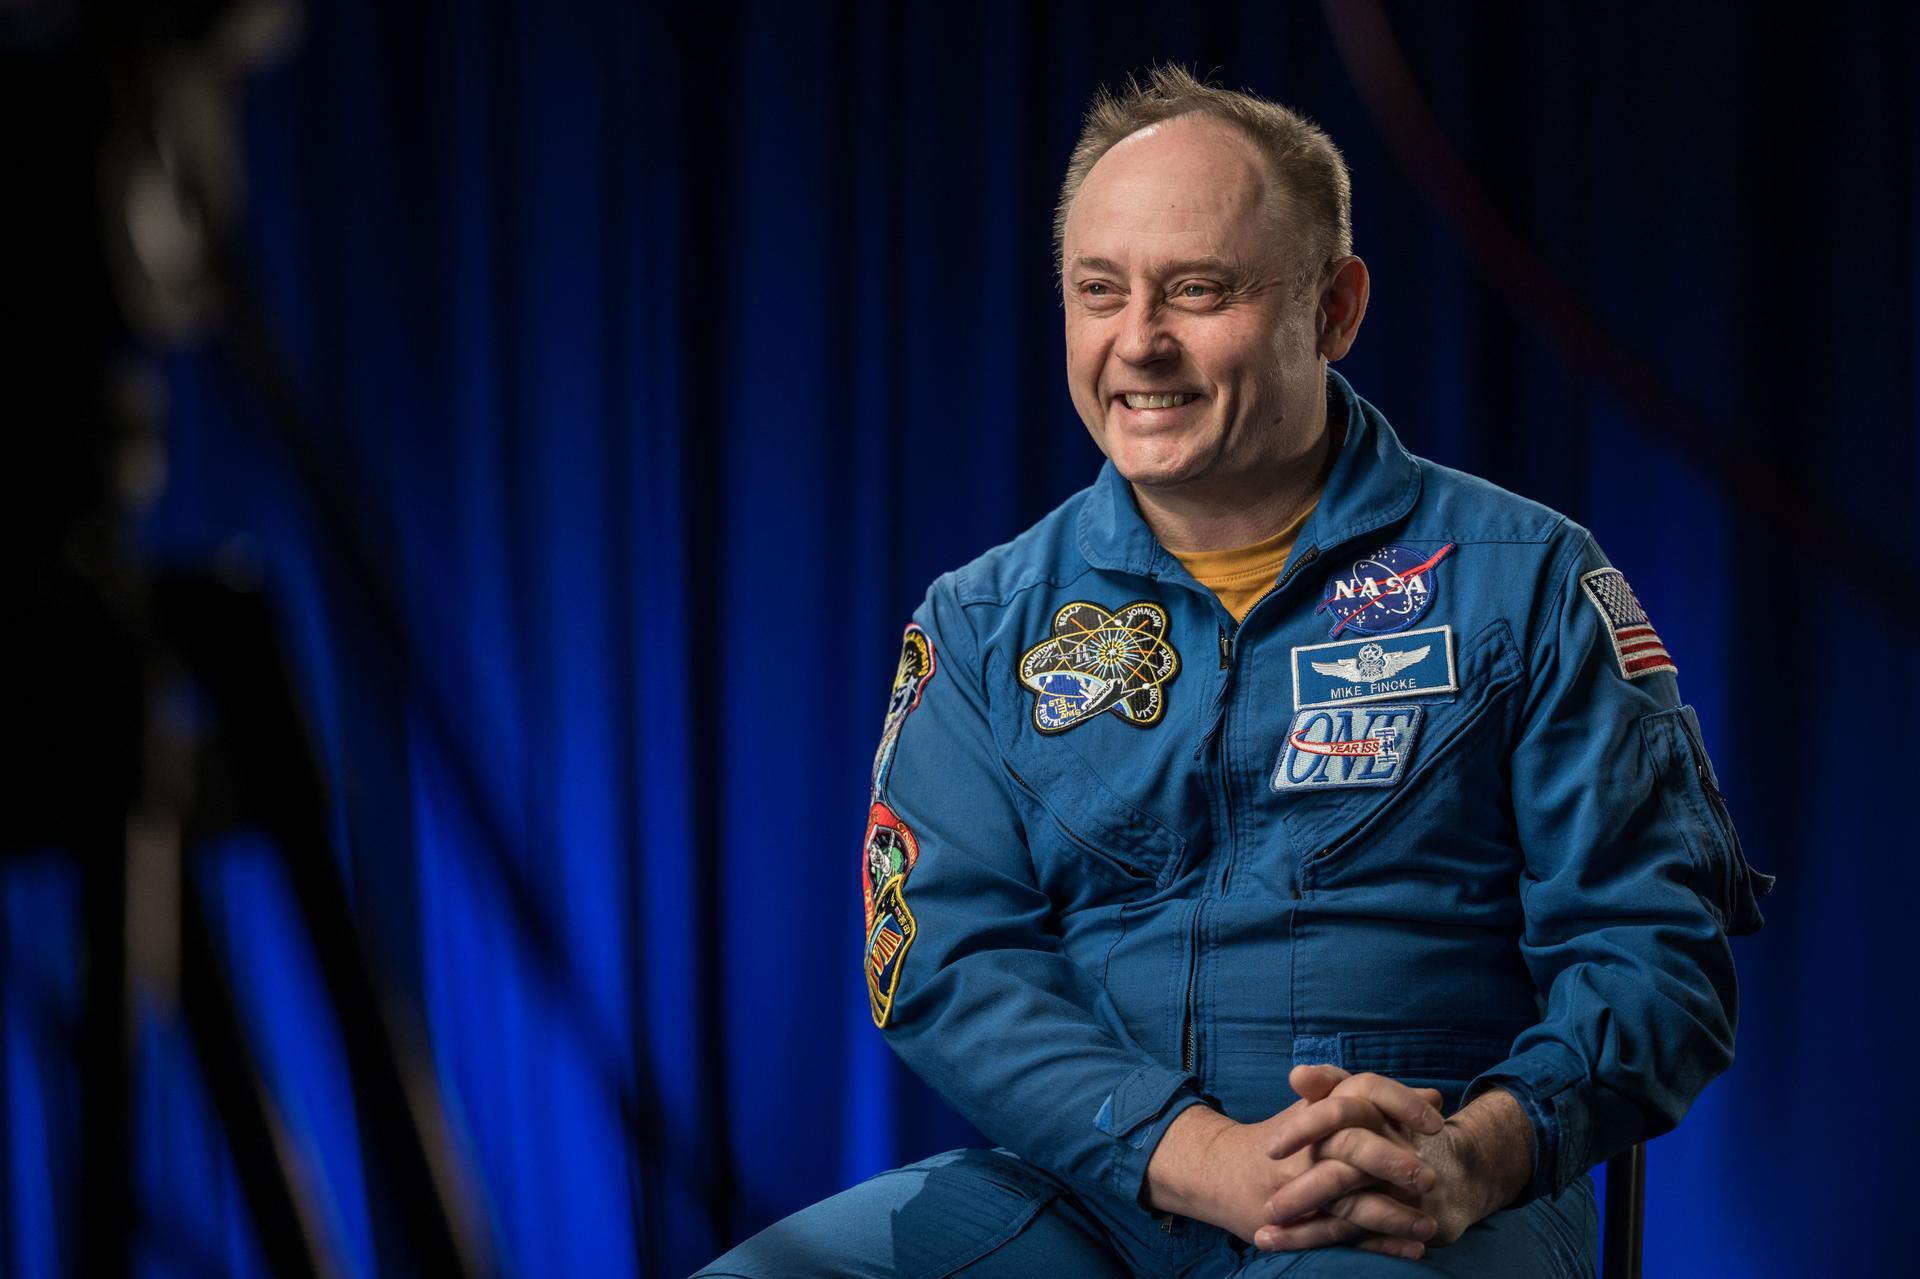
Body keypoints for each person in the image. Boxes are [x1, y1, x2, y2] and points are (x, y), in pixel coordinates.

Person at [697, 65, 1770, 1278]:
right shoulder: (984, 622)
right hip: (1095, 1191)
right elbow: (943, 961)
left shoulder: (1527, 582)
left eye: (1198, 290)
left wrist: (1482, 1151)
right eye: (1100, 290)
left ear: (1335, 309)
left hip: (1419, 1189)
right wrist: (1193, 1151)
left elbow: (1655, 951)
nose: (1138, 341)